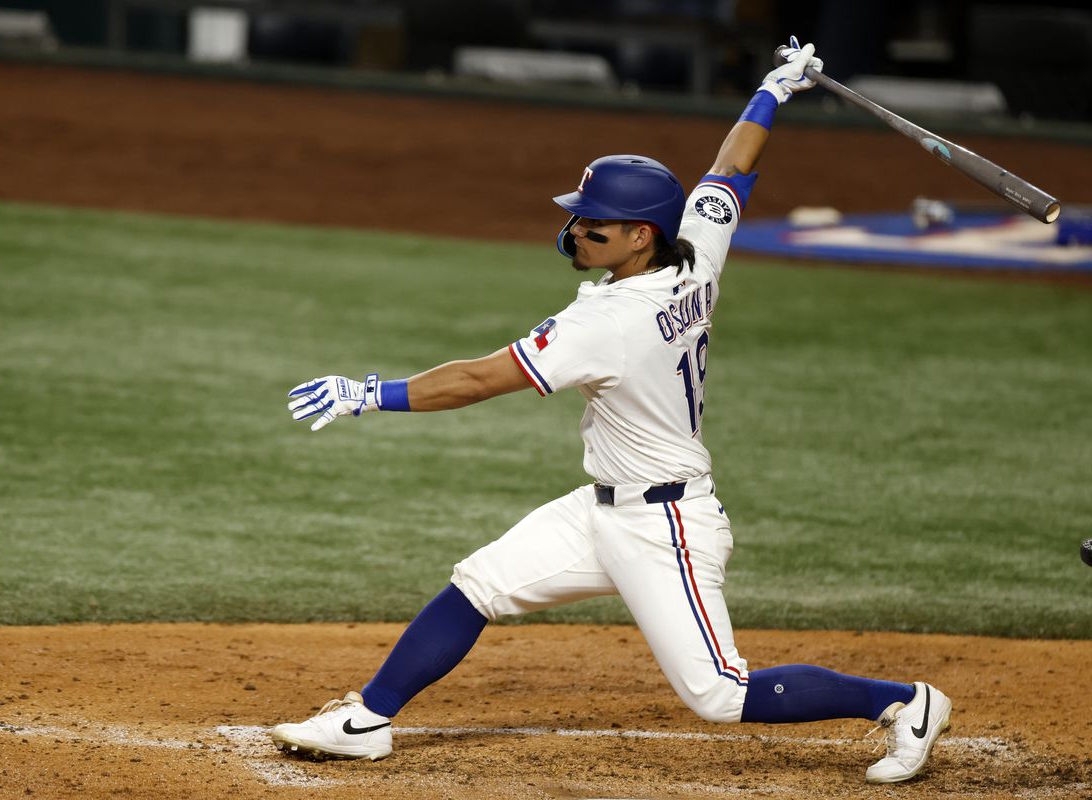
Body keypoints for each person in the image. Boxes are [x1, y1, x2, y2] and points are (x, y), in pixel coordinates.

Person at [271, 38, 952, 785]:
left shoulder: (607, 324)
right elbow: (730, 170)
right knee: (480, 582)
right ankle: (367, 720)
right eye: (580, 218)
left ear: (640, 235)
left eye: (595, 224)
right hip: (601, 508)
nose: (577, 232)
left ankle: (906, 702)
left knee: (721, 694)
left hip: (667, 525)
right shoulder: (698, 246)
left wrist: (368, 392)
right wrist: (772, 91)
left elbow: (476, 381)